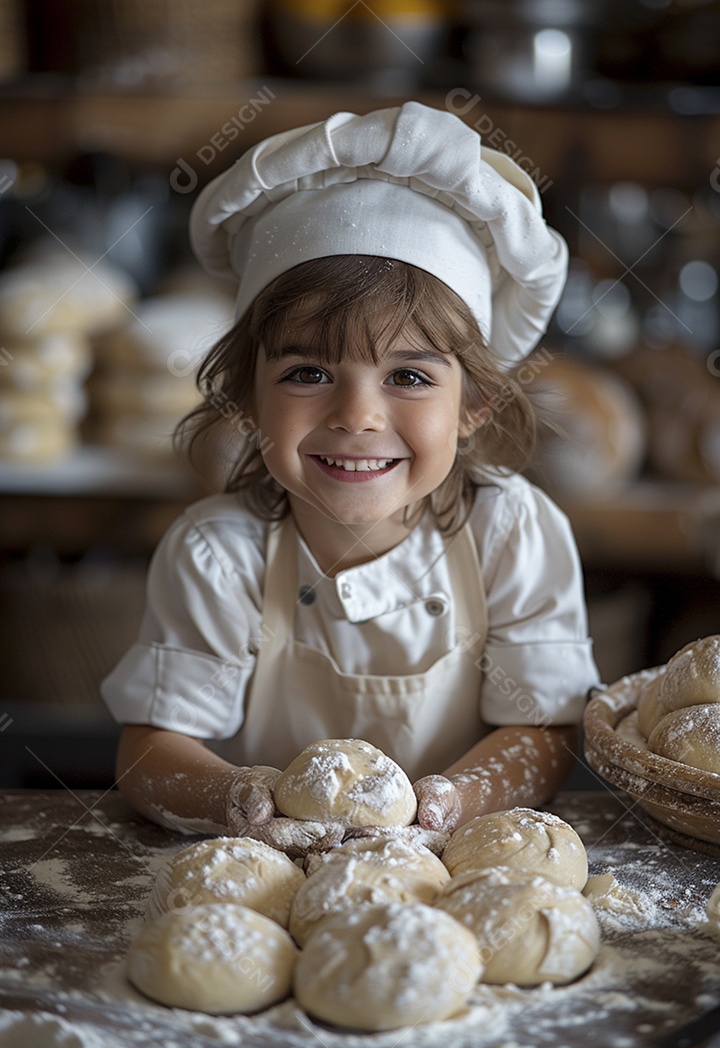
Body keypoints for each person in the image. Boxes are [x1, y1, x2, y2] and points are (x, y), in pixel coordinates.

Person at [102, 101, 600, 855]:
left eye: (407, 375)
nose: (358, 416)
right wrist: (242, 799)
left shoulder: (514, 531)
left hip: (453, 873)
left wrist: (450, 802)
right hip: (263, 879)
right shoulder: (218, 553)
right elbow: (150, 751)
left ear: (475, 406)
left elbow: (544, 729)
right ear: (245, 395)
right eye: (309, 372)